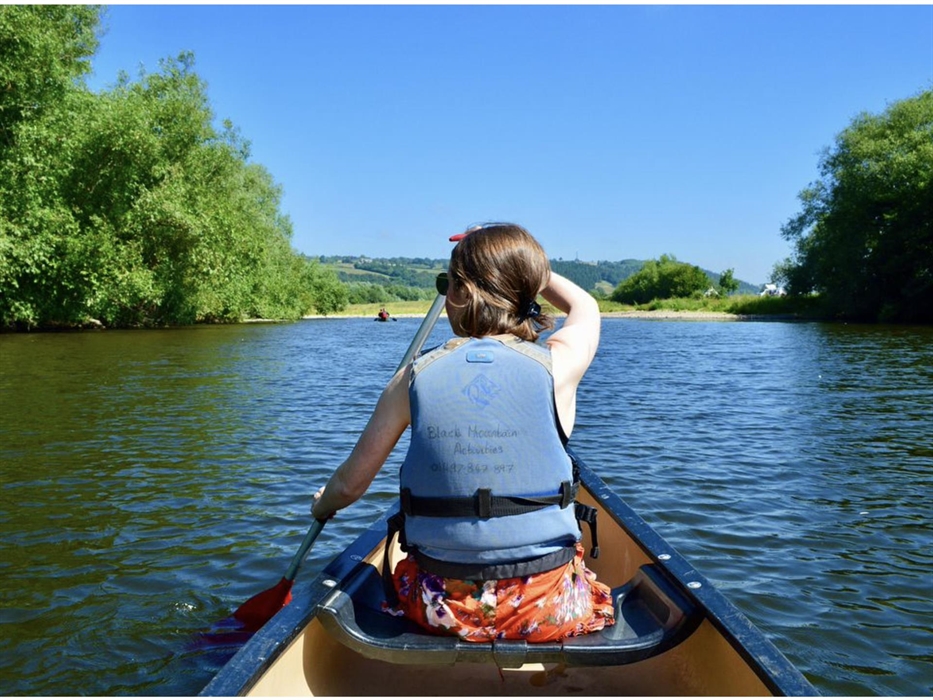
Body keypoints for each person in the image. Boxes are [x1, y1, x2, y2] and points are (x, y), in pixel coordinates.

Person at [312, 222, 614, 642]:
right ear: (527, 289)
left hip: (440, 607)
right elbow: (586, 306)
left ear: (459, 293)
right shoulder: (558, 365)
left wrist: (320, 505)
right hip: (546, 605)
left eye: (446, 283)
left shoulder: (411, 379)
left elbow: (348, 486)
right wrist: (526, 265)